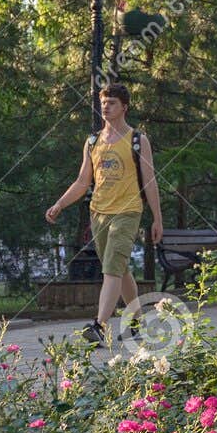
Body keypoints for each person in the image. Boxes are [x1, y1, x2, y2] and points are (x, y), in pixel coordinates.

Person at [45, 84, 164, 347]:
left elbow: (150, 181)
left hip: (128, 212)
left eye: (111, 103)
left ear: (124, 107)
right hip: (98, 213)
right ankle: (136, 321)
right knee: (119, 268)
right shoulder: (92, 142)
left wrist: (157, 218)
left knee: (111, 266)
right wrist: (60, 204)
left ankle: (99, 326)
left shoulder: (137, 139)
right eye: (103, 103)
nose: (106, 107)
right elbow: (81, 182)